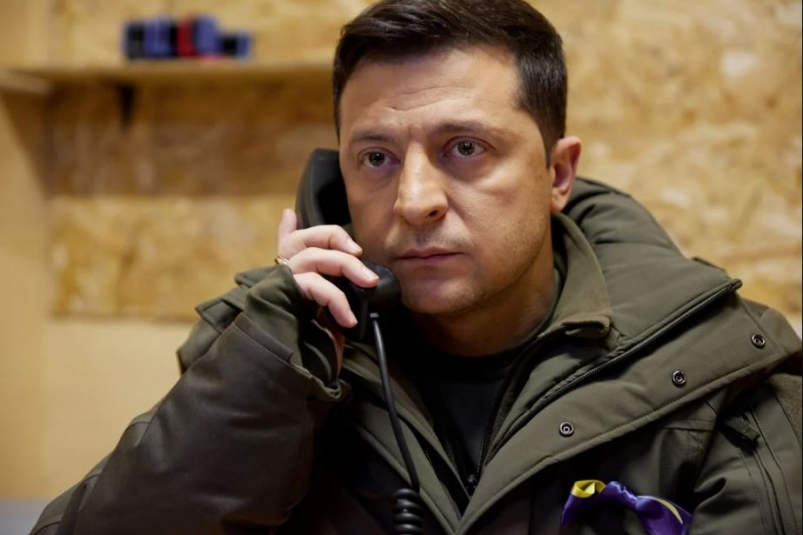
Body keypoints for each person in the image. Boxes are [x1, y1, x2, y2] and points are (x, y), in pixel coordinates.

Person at [31, 0, 802, 534]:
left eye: (464, 148)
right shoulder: (268, 357)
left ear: (557, 174)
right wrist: (271, 363)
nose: (413, 199)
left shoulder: (721, 375)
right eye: (375, 157)